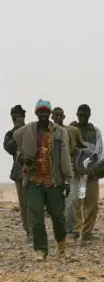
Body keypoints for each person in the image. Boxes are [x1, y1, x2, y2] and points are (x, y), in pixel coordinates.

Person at [13, 100, 72, 261]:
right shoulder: (28, 132)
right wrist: (23, 158)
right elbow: (18, 151)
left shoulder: (59, 132)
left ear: (50, 113)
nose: (44, 115)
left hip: (54, 181)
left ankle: (61, 244)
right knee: (36, 218)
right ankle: (40, 250)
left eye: (46, 112)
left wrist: (67, 179)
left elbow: (65, 156)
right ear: (36, 113)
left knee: (58, 217)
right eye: (41, 112)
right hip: (33, 181)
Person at [70, 104, 104, 242]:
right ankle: (75, 230)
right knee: (76, 201)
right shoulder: (71, 130)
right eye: (80, 115)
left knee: (91, 203)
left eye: (85, 115)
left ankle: (87, 232)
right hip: (76, 175)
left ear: (89, 116)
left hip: (91, 174)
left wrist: (94, 169)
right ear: (77, 115)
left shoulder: (95, 131)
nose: (82, 117)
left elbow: (99, 152)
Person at [51, 107, 85, 240]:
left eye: (61, 115)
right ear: (52, 117)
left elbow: (82, 147)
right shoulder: (48, 132)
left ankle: (70, 229)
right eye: (56, 115)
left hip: (70, 168)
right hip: (53, 170)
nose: (58, 118)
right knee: (58, 201)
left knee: (72, 199)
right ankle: (62, 229)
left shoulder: (72, 131)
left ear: (64, 116)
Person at [3, 105, 30, 239]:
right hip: (19, 172)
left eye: (18, 117)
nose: (15, 119)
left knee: (35, 202)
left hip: (34, 171)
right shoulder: (10, 134)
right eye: (13, 117)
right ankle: (29, 231)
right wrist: (17, 131)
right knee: (24, 204)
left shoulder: (31, 130)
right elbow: (10, 148)